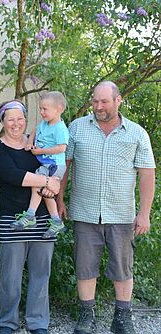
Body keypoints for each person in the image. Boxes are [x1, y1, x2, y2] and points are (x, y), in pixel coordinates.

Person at [57, 81, 156, 334]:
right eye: (95, 101)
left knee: (122, 267)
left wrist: (144, 213)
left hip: (121, 214)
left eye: (104, 102)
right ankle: (86, 316)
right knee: (85, 265)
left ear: (118, 100)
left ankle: (122, 317)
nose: (98, 106)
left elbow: (147, 175)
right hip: (84, 211)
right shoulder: (77, 128)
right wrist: (59, 199)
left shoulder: (136, 133)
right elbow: (64, 166)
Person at [0, 100, 61, 334]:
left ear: (26, 120)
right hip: (12, 220)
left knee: (41, 275)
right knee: (10, 277)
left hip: (42, 220)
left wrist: (52, 183)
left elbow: (53, 166)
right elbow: (13, 175)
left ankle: (37, 323)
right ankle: (7, 323)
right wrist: (48, 182)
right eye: (10, 119)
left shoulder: (37, 145)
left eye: (20, 119)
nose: (16, 124)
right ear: (2, 122)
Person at [12, 91, 69, 239]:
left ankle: (31, 215)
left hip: (54, 165)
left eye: (45, 109)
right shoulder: (44, 124)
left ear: (58, 110)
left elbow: (62, 148)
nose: (41, 112)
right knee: (44, 192)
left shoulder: (60, 128)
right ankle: (56, 221)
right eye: (41, 108)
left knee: (38, 185)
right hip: (47, 164)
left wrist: (40, 151)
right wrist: (30, 142)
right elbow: (34, 131)